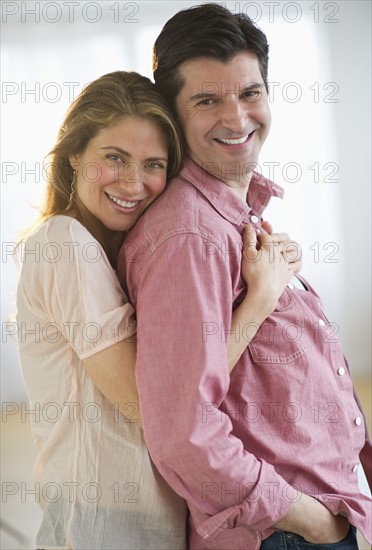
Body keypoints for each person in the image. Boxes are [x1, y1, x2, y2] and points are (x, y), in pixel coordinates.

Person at [119, 4, 372, 550]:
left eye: (250, 93)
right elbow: (184, 432)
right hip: (282, 533)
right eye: (207, 101)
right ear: (172, 114)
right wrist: (308, 521)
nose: (237, 119)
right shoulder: (189, 238)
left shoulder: (231, 214)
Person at [16, 70, 299, 549]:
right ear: (74, 156)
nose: (133, 181)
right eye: (114, 157)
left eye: (153, 164)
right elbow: (156, 406)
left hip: (150, 520)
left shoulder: (119, 252)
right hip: (100, 524)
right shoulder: (64, 244)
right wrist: (260, 301)